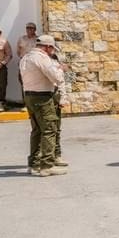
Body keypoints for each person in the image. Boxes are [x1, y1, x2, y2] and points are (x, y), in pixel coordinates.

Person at [20, 35, 67, 176]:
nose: (52, 51)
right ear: (47, 47)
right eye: (52, 48)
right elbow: (56, 77)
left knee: (36, 131)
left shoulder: (26, 57)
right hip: (42, 97)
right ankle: (47, 165)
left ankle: (33, 164)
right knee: (49, 130)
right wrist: (60, 68)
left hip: (29, 96)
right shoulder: (41, 58)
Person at [16, 22, 39, 91]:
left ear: (35, 30)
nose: (29, 30)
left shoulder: (38, 39)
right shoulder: (21, 39)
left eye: (31, 28)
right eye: (27, 28)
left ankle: (34, 99)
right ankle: (25, 100)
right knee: (22, 80)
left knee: (34, 80)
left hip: (34, 63)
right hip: (23, 62)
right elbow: (18, 51)